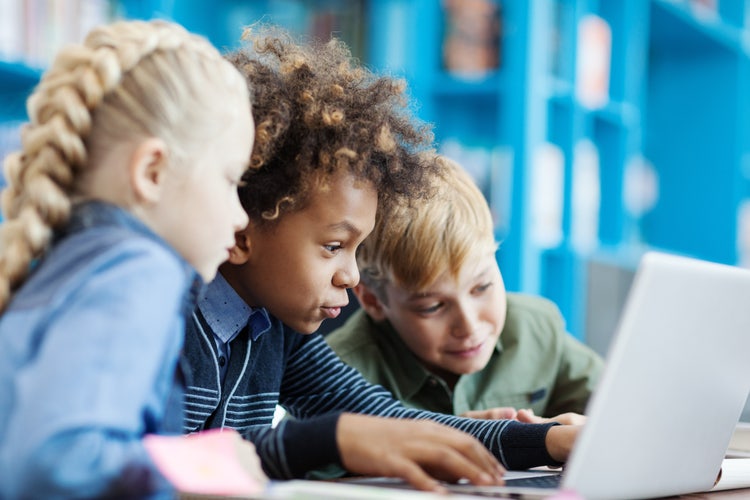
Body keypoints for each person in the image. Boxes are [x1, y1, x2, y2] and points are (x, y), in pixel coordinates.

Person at [179, 27, 579, 494]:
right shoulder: (170, 320)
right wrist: (327, 440)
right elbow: (157, 461)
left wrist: (551, 440)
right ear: (242, 234)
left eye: (356, 248)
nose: (351, 276)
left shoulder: (277, 332)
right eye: (333, 247)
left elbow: (394, 424)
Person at [0, 19, 266, 498]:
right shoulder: (139, 270)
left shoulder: (70, 262)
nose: (240, 217)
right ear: (152, 170)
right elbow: (54, 463)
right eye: (230, 181)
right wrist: (204, 467)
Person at [325, 154, 603, 423]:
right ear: (372, 300)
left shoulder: (538, 329)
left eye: (482, 287)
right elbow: (309, 461)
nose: (469, 326)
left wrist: (578, 430)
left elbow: (626, 410)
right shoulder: (337, 374)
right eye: (432, 307)